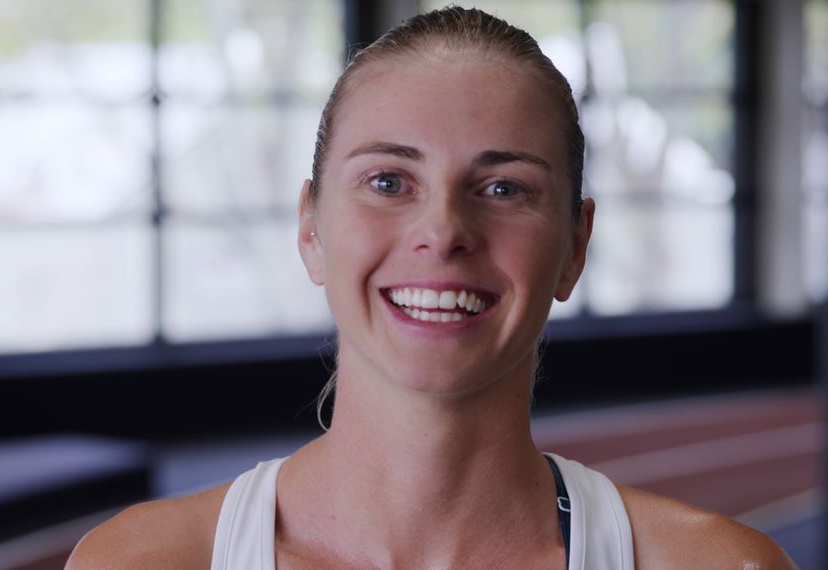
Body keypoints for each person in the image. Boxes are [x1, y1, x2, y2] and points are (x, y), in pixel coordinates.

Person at [67, 7, 795, 569]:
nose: (443, 230)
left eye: (504, 187)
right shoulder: (143, 562)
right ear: (311, 229)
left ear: (575, 246)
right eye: (388, 181)